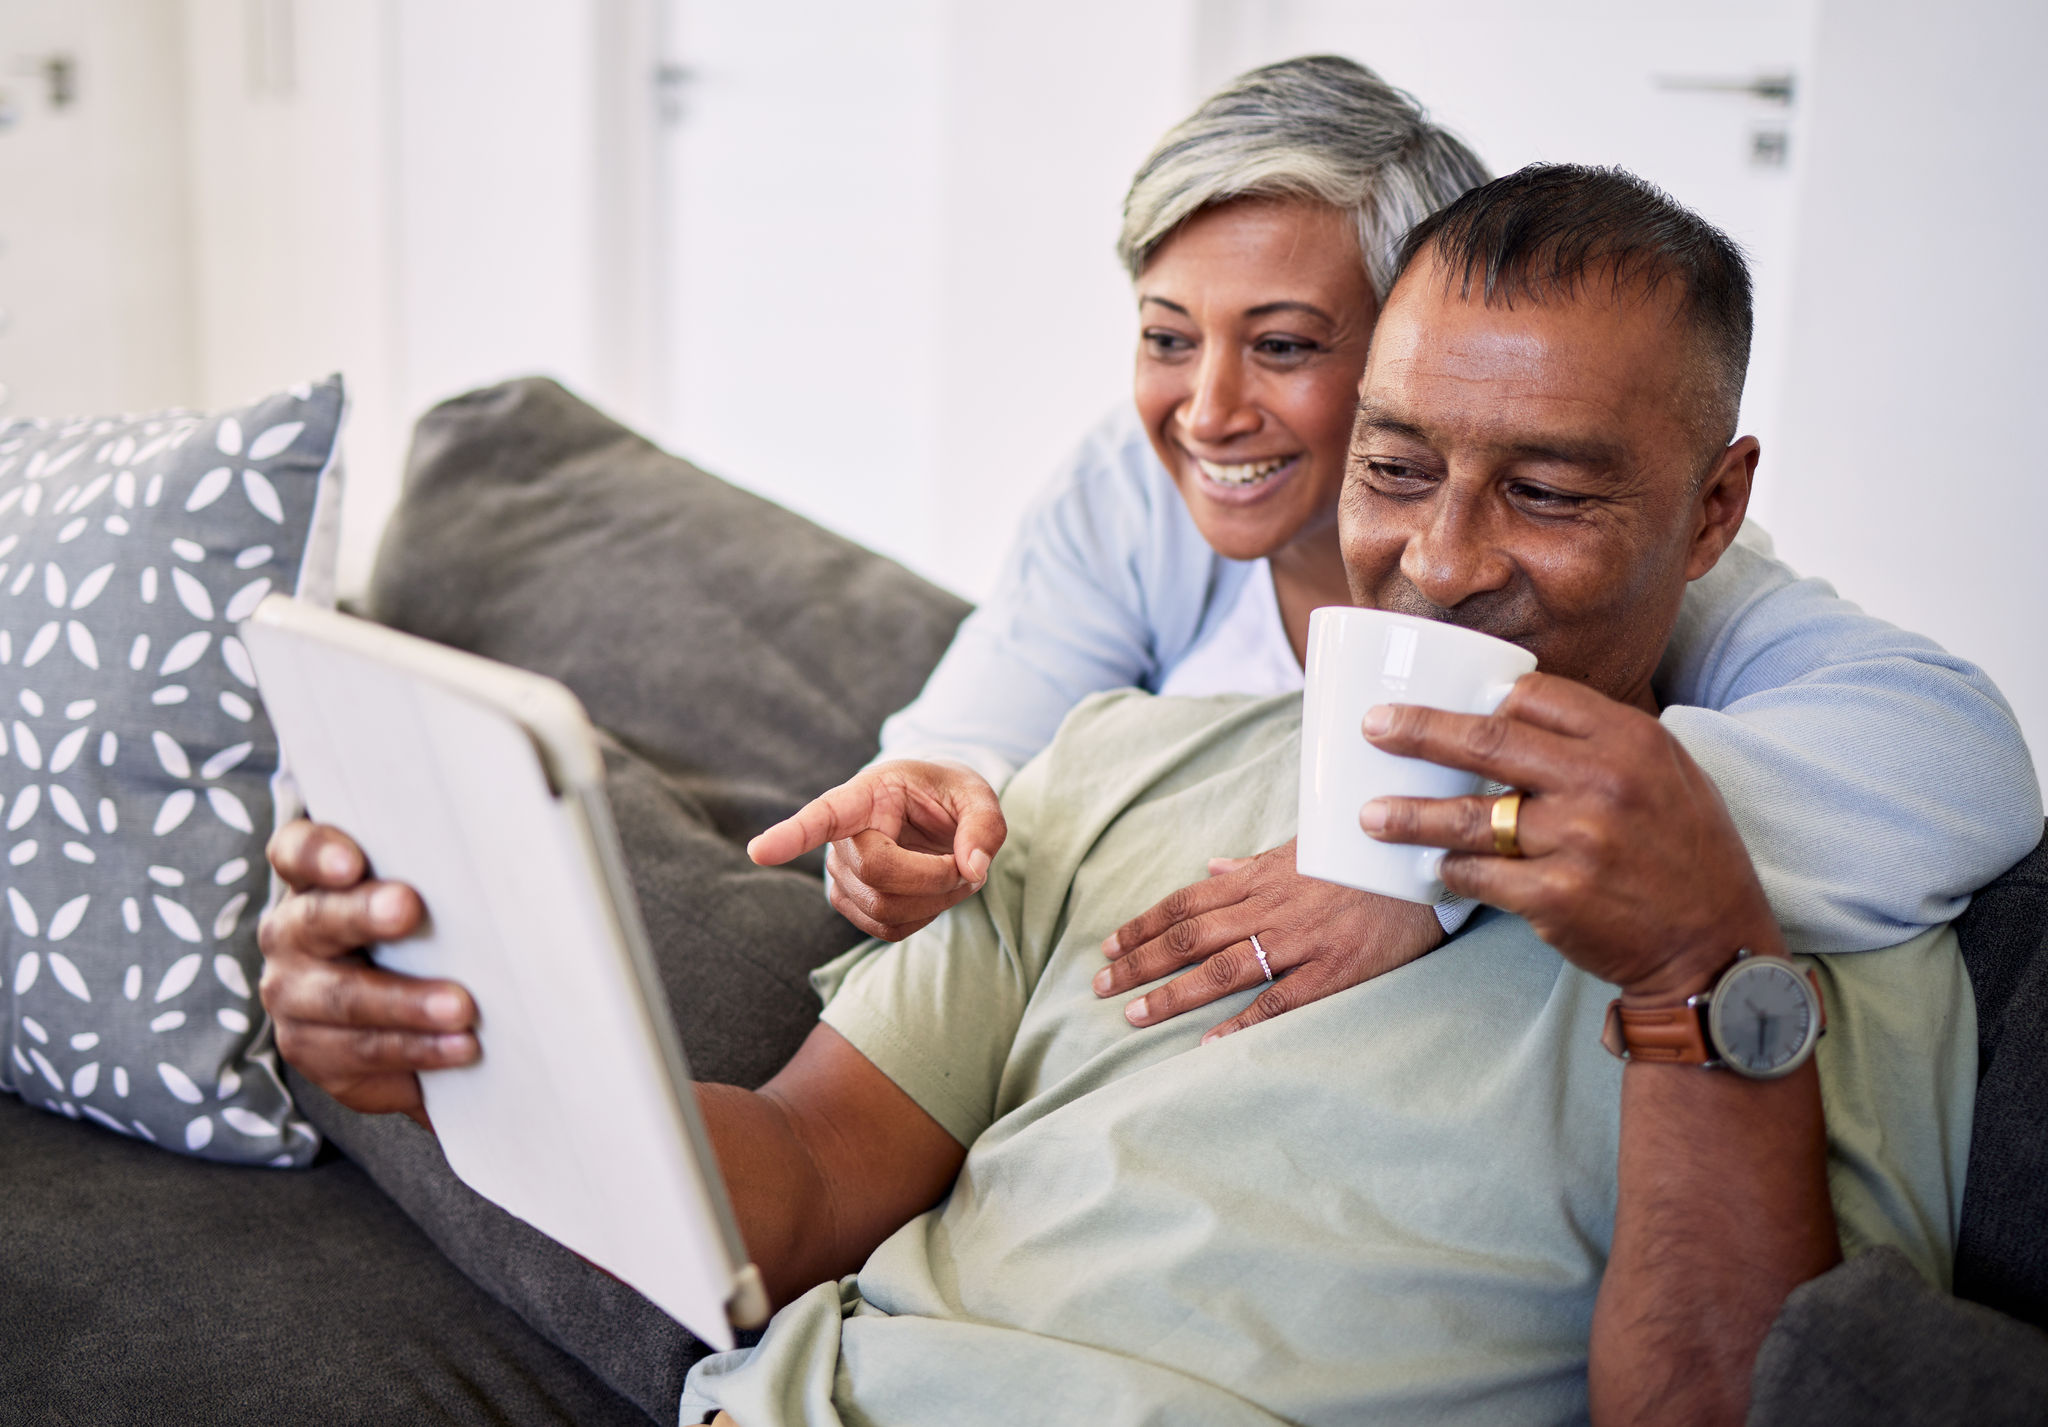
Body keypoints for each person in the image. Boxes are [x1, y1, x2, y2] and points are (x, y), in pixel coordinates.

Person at [261, 166, 1987, 1427]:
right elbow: (790, 1183)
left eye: (1547, 492)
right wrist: (461, 1060)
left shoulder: (1812, 937)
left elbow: (1706, 1403)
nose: (1443, 561)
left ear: (1712, 511)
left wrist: (1687, 966)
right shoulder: (1116, 763)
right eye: (1396, 468)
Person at [744, 55, 2041, 1042]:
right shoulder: (1133, 488)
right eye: (1167, 336)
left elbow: (1954, 760)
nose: (1208, 411)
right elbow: (976, 733)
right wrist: (927, 807)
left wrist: (1437, 856)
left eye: (1285, 344)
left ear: (1424, 337)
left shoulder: (1610, 571)